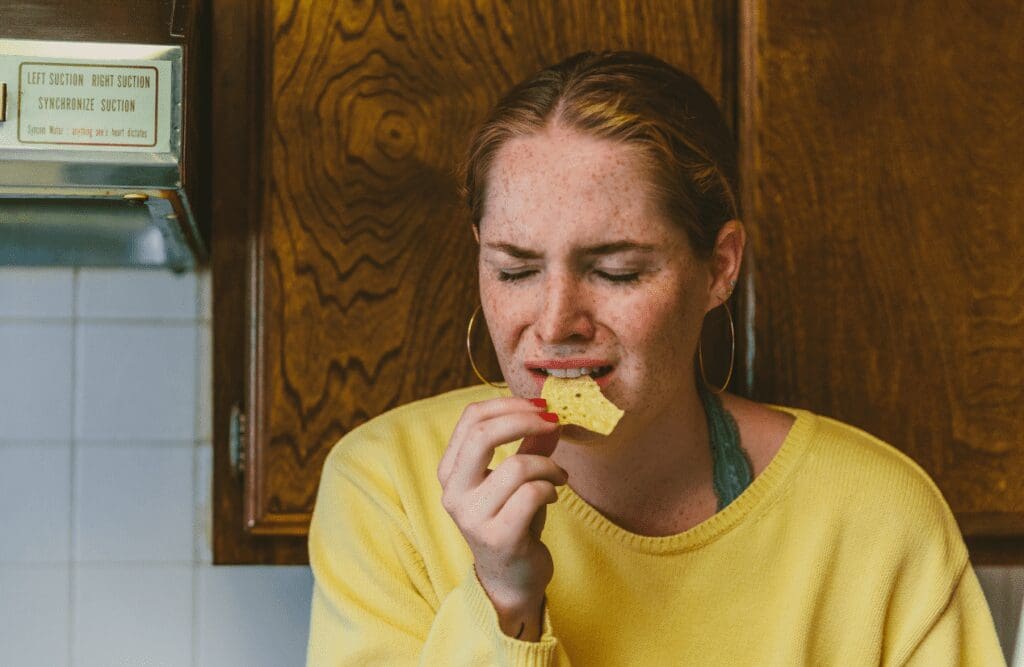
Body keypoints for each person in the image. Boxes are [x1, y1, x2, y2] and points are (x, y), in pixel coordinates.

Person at [305, 50, 1005, 665]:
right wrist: (504, 597)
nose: (555, 323)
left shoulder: (878, 519)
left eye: (615, 270)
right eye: (515, 270)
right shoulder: (385, 488)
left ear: (718, 268)